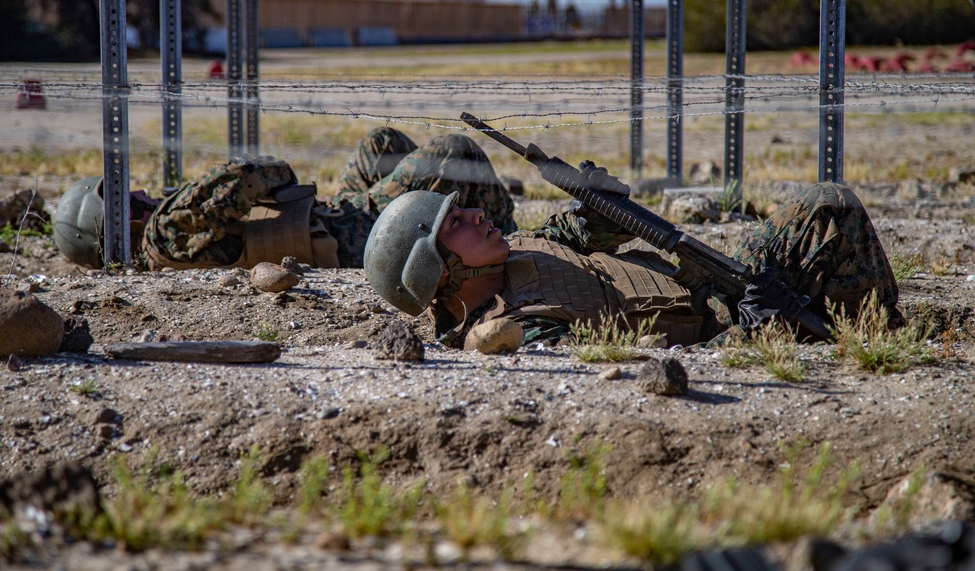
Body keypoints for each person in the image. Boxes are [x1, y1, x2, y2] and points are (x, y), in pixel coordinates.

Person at [363, 172, 902, 348]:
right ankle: (870, 337)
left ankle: (874, 323)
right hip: (726, 324)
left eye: (464, 209)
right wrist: (751, 333)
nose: (478, 214)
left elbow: (571, 232)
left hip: (718, 282)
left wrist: (598, 202)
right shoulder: (518, 331)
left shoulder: (518, 248)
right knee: (832, 213)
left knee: (826, 204)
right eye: (456, 223)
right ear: (438, 271)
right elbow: (638, 367)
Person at [53, 126, 515, 271]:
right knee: (455, 149)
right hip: (354, 235)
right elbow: (258, 174)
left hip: (329, 219)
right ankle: (503, 234)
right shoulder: (163, 232)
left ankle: (455, 222)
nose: (138, 192)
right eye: (125, 200)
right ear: (113, 226)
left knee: (381, 142)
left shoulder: (170, 239)